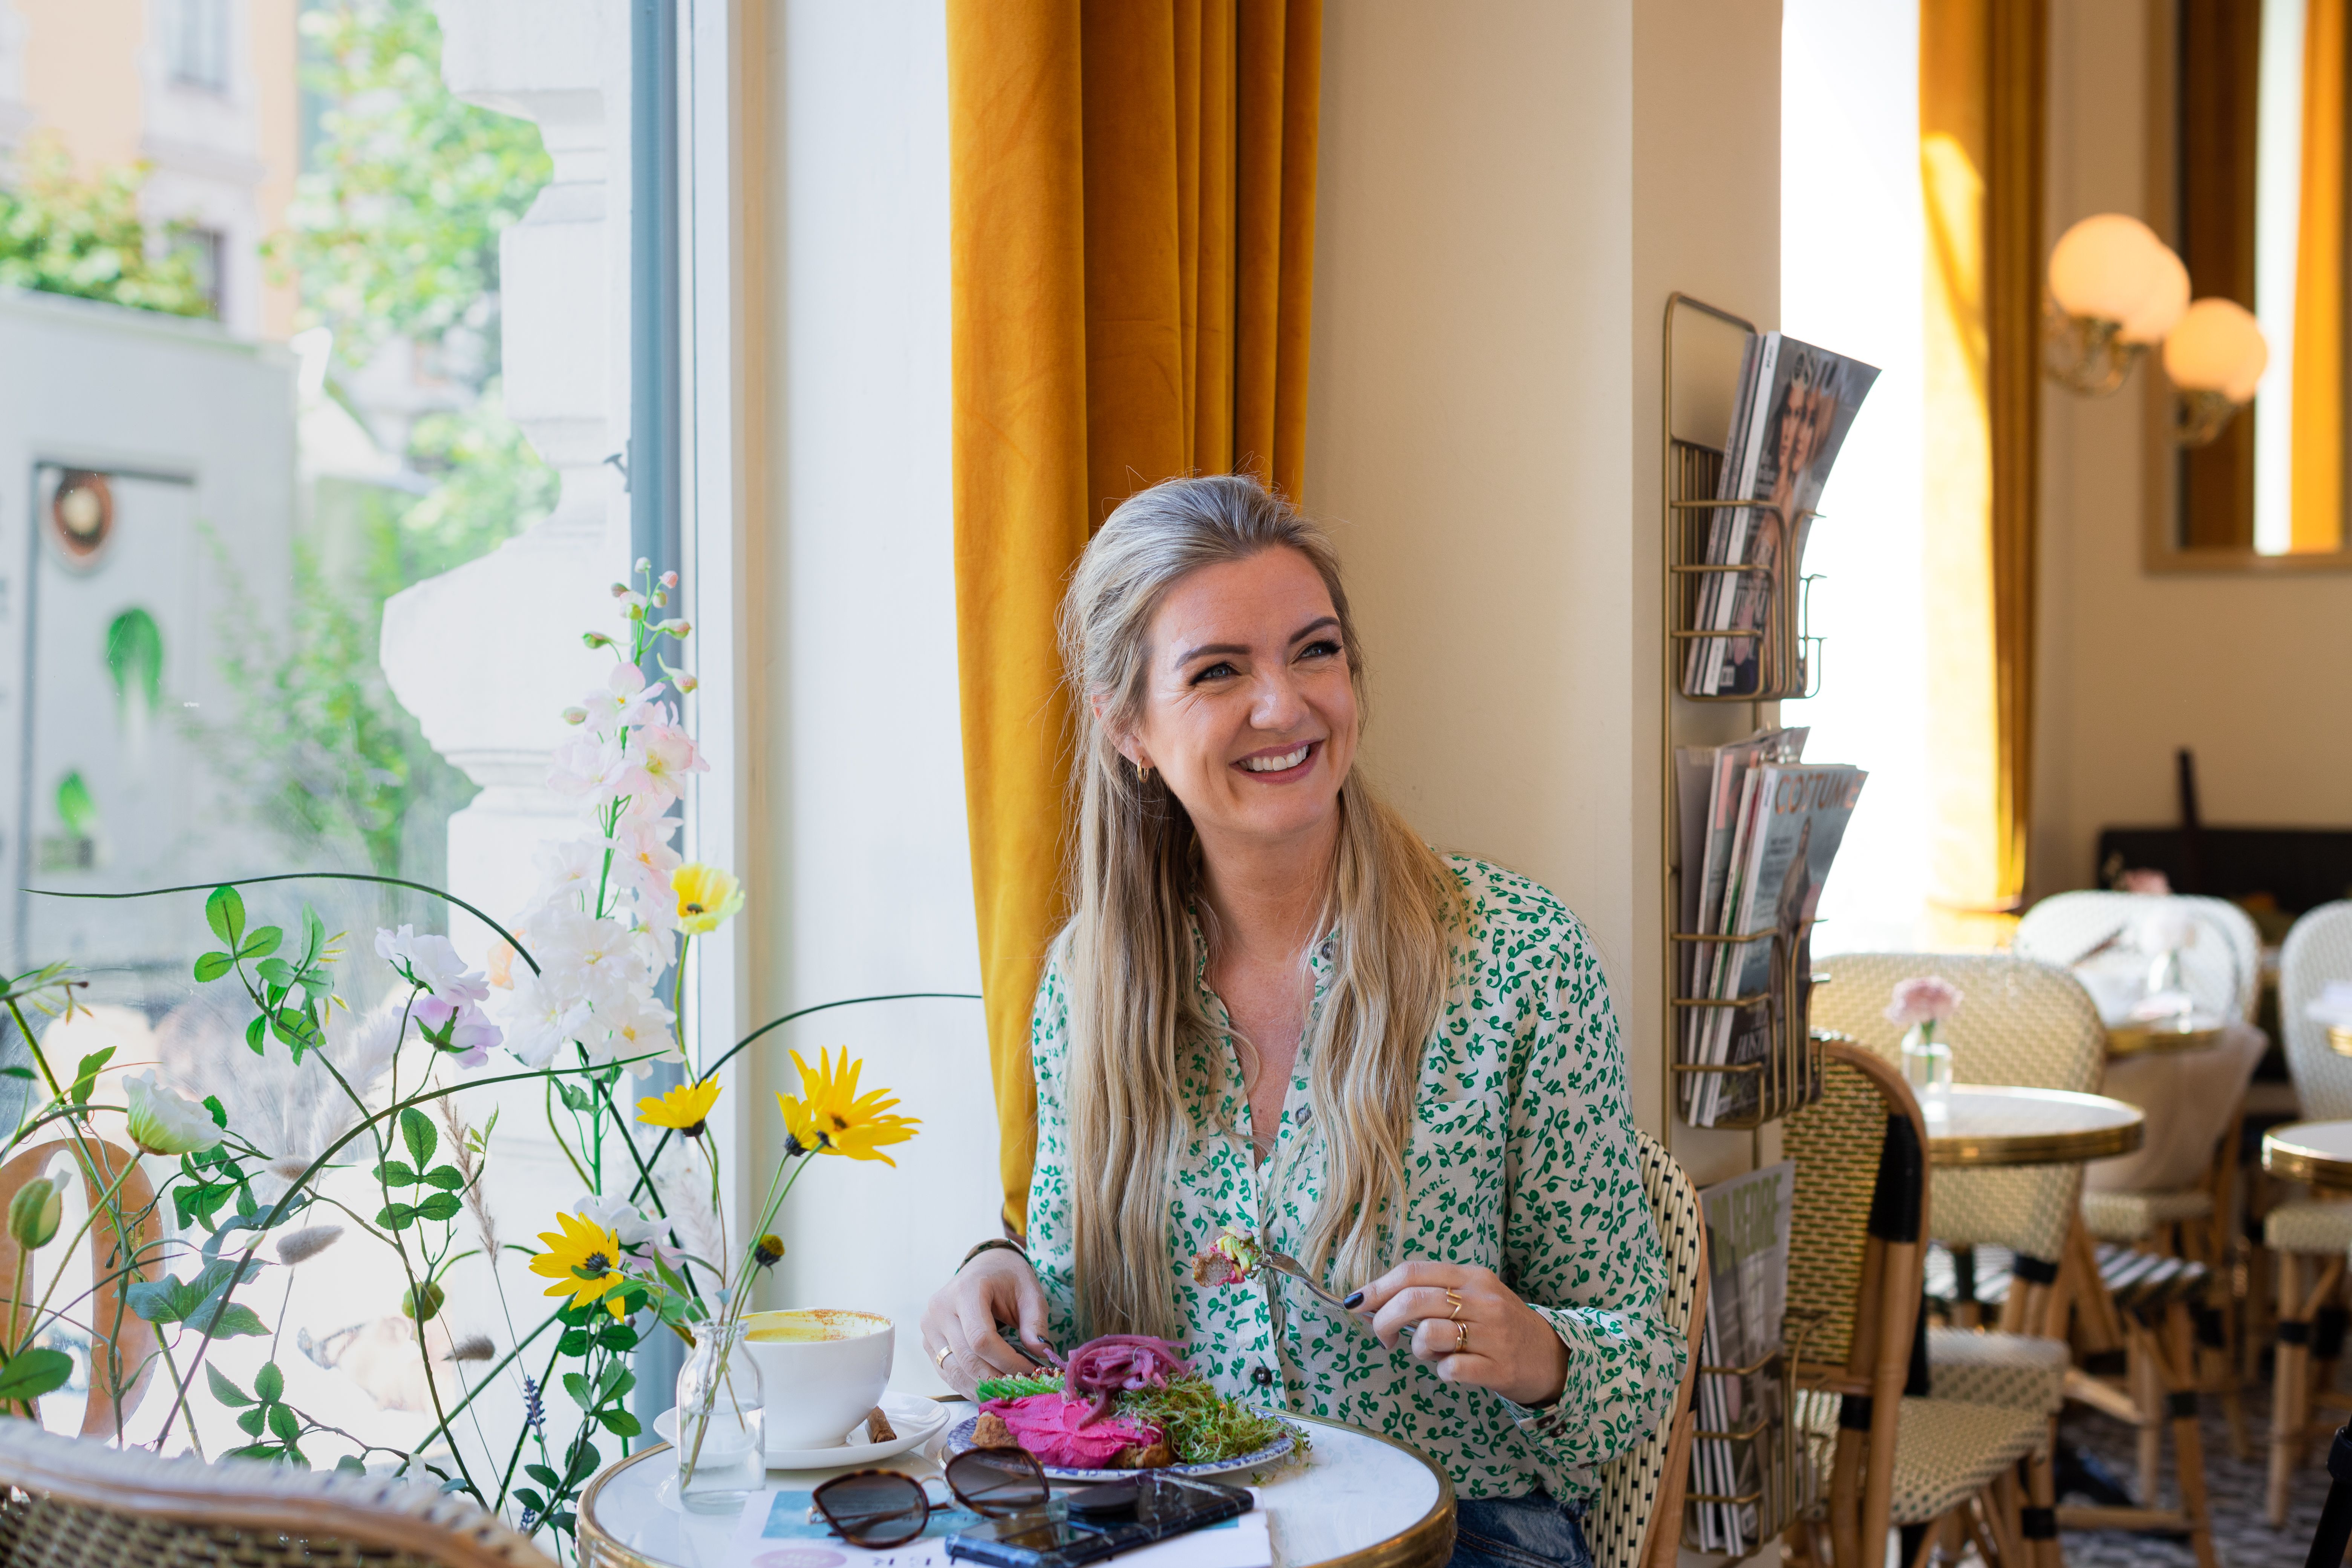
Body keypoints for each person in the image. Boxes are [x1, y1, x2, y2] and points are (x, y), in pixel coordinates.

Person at [921, 475, 1685, 1568]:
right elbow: (1079, 1338)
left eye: (1315, 652)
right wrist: (996, 1283)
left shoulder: (1521, 958)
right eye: (1219, 671)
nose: (1284, 705)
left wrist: (1538, 1352)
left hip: (1455, 1536)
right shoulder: (1086, 981)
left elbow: (1641, 1367)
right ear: (1126, 725)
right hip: (1167, 1532)